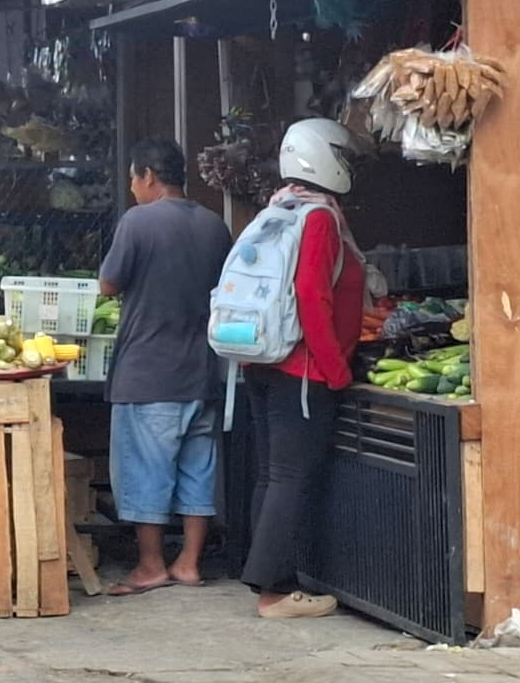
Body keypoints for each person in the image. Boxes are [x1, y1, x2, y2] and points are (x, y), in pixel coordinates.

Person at [241, 119, 366, 619]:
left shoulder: (278, 208)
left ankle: (263, 577)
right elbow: (311, 296)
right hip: (303, 369)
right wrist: (336, 369)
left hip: (263, 359)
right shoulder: (318, 218)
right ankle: (274, 591)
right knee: (290, 477)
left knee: (273, 475)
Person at [99, 138, 232, 596]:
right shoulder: (216, 225)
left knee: (145, 472)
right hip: (203, 371)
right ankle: (189, 563)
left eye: (133, 179)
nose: (133, 188)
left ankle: (151, 566)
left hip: (147, 372)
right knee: (198, 469)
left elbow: (109, 285)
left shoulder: (138, 221)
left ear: (148, 176)